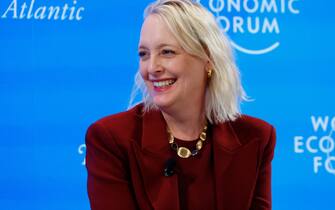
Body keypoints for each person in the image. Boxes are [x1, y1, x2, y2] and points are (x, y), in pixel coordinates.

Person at [85, 0, 276, 209]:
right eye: (144, 54)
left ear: (208, 57)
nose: (152, 67)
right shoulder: (112, 140)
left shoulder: (255, 137)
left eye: (167, 52)